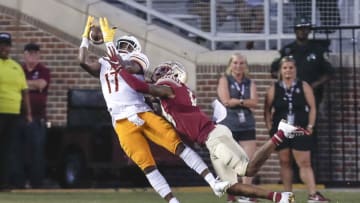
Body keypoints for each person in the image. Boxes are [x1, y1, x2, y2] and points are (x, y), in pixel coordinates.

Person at [110, 53, 312, 202]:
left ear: (171, 74)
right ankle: (279, 197)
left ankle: (280, 133)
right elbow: (150, 95)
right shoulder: (174, 92)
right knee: (232, 188)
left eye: (162, 71)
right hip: (211, 139)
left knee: (247, 169)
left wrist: (120, 69)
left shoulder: (169, 88)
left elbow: (141, 87)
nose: (157, 74)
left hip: (214, 137)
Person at [78, 16, 229, 203]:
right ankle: (173, 202)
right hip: (120, 121)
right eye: (121, 44)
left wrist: (109, 43)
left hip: (142, 111)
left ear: (135, 49)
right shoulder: (104, 62)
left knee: (178, 147)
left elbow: (126, 68)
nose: (124, 47)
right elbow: (83, 62)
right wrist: (85, 38)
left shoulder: (138, 59)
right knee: (147, 166)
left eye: (127, 45)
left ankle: (213, 183)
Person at [265, 56, 330, 203]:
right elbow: (267, 110)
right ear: (281, 71)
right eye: (285, 68)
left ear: (295, 70)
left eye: (291, 68)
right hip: (281, 130)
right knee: (285, 162)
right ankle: (287, 196)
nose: (288, 70)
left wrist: (310, 126)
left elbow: (313, 107)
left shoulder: (303, 86)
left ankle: (313, 195)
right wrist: (270, 128)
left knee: (305, 162)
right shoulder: (274, 88)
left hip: (299, 129)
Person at [216, 53, 259, 203]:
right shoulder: (224, 79)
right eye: (235, 63)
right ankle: (233, 193)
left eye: (241, 63)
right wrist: (244, 101)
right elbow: (226, 101)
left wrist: (239, 101)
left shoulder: (249, 82)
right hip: (230, 124)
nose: (238, 66)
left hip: (247, 124)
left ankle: (246, 193)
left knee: (249, 161)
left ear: (245, 65)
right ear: (230, 64)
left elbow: (255, 102)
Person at [270, 16, 335, 107]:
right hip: (289, 96)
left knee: (309, 120)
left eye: (305, 28)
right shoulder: (287, 50)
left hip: (311, 95)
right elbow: (273, 71)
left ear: (309, 30)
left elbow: (329, 72)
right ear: (295, 30)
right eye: (299, 28)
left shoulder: (318, 50)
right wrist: (287, 81)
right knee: (285, 120)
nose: (302, 31)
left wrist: (316, 84)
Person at [0, 32, 32, 190]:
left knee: (8, 149)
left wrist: (28, 113)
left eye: (6, 45)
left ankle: (4, 183)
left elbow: (24, 91)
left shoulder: (16, 67)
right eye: (1, 45)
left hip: (13, 114)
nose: (4, 48)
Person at [15, 43, 50, 188]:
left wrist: (22, 84)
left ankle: (36, 183)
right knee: (17, 151)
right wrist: (30, 84)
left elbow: (41, 84)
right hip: (18, 116)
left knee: (36, 151)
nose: (33, 56)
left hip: (37, 118)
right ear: (24, 54)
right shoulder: (18, 69)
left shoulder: (43, 70)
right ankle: (17, 182)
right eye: (30, 53)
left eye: (36, 53)